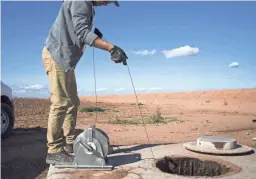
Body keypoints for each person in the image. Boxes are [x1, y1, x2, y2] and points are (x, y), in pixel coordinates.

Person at [42, 0, 127, 165]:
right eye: (108, 1)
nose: (107, 4)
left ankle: (70, 144)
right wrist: (111, 47)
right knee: (60, 103)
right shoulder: (82, 1)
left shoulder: (87, 5)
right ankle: (54, 151)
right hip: (57, 56)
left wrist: (95, 36)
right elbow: (82, 32)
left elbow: (79, 30)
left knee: (73, 102)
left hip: (66, 61)